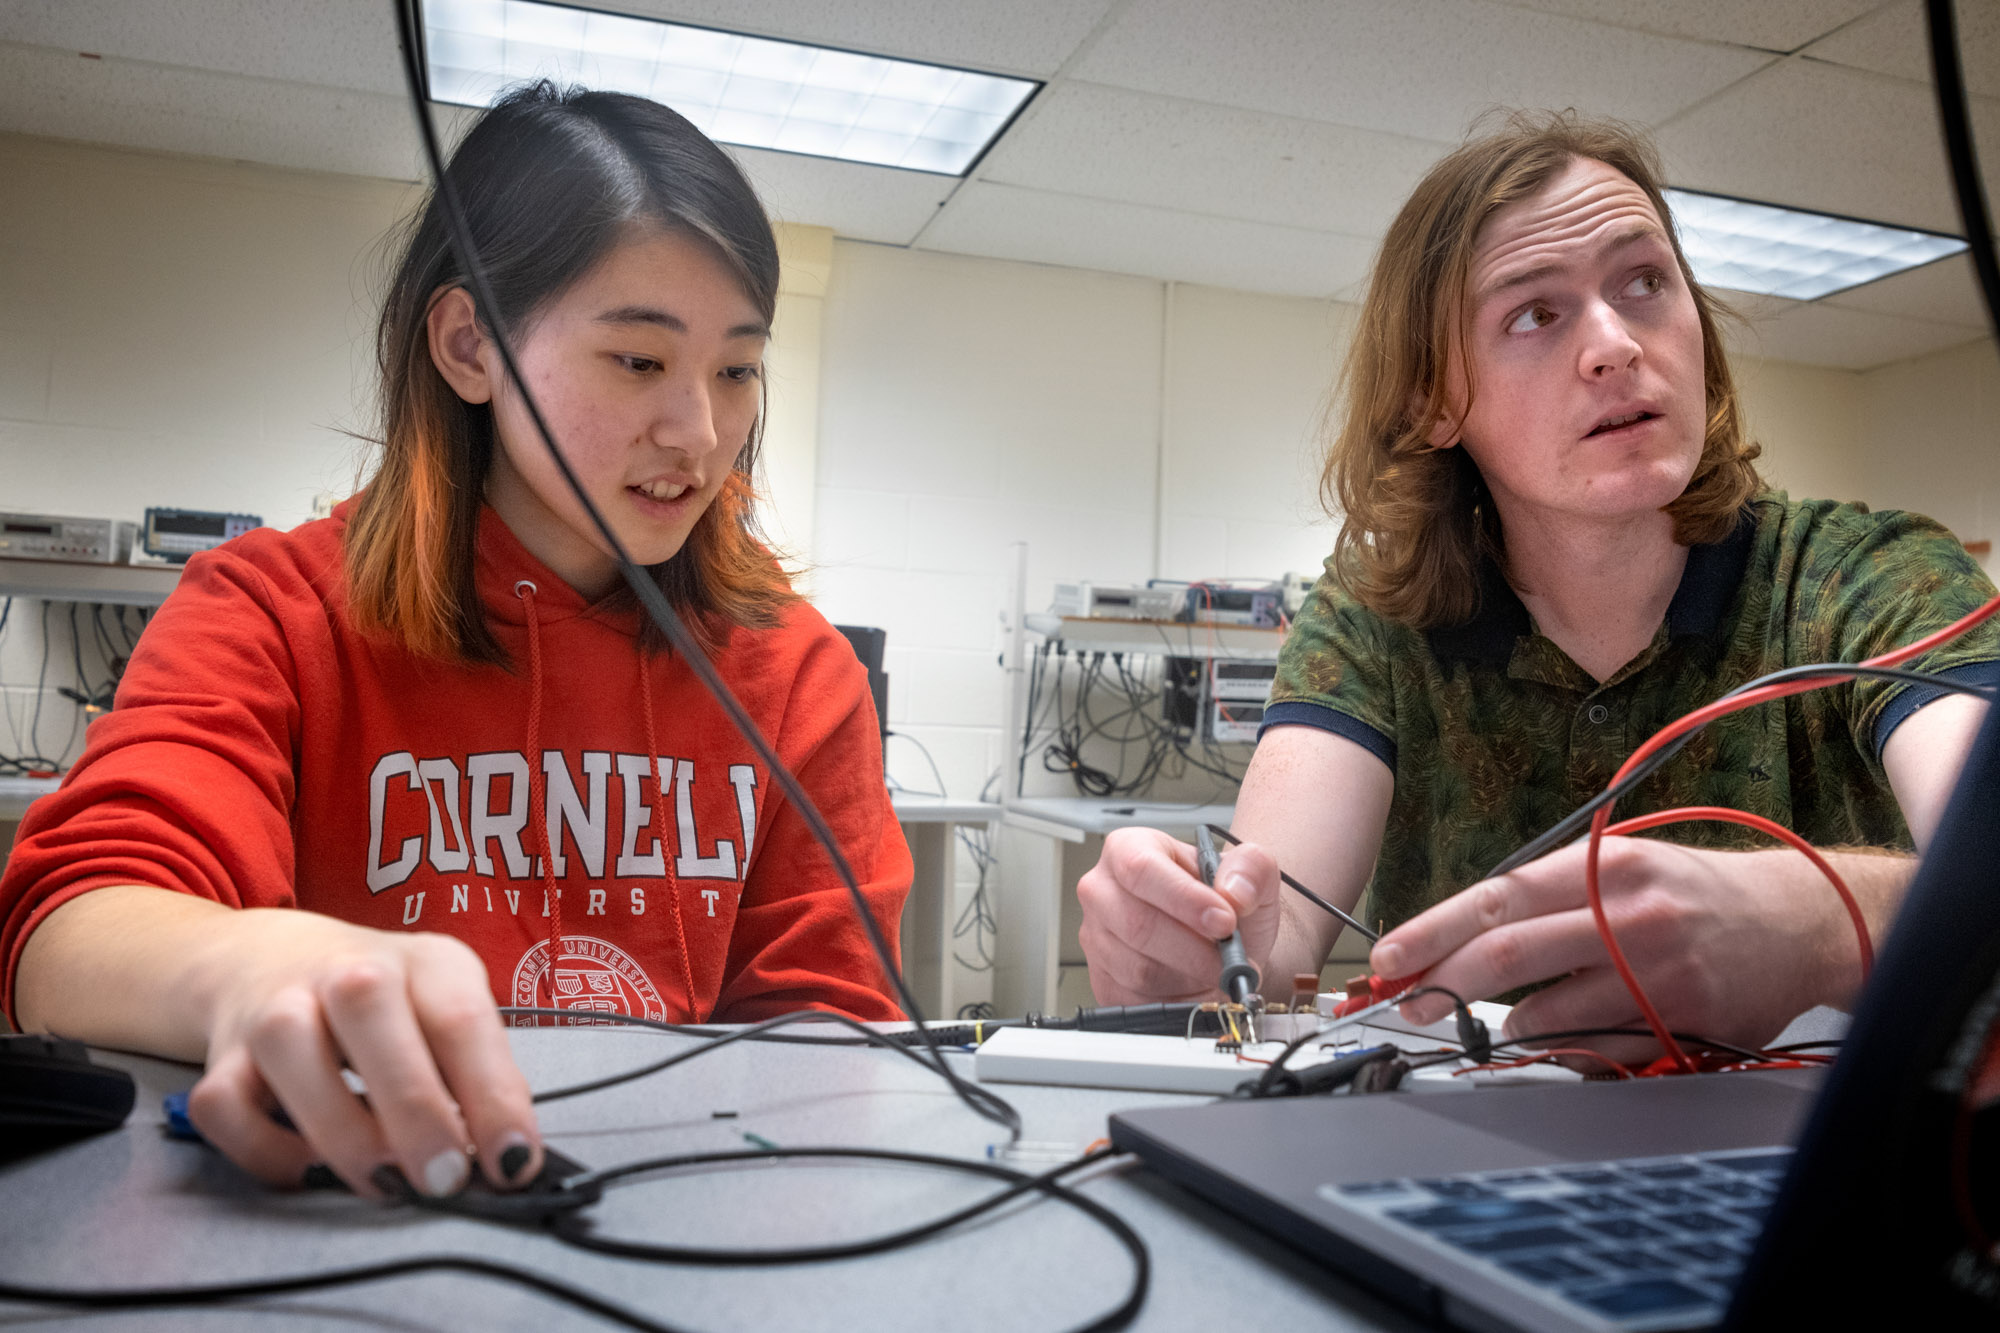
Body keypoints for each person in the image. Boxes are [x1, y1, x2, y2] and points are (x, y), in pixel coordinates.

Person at [0, 84, 911, 1199]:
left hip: (674, 1225)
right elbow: (68, 930)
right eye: (637, 360)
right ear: (470, 344)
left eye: (735, 368)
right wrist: (254, 965)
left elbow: (829, 1040)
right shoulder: (269, 611)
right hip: (351, 1216)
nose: (701, 430)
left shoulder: (795, 669)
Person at [1077, 111, 1998, 1066]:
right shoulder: (1378, 616)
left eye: (1645, 281)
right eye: (1534, 313)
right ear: (1436, 400)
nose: (1614, 345)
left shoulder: (1869, 577)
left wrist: (1821, 921)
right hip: (1466, 1179)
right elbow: (1275, 928)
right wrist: (1210, 948)